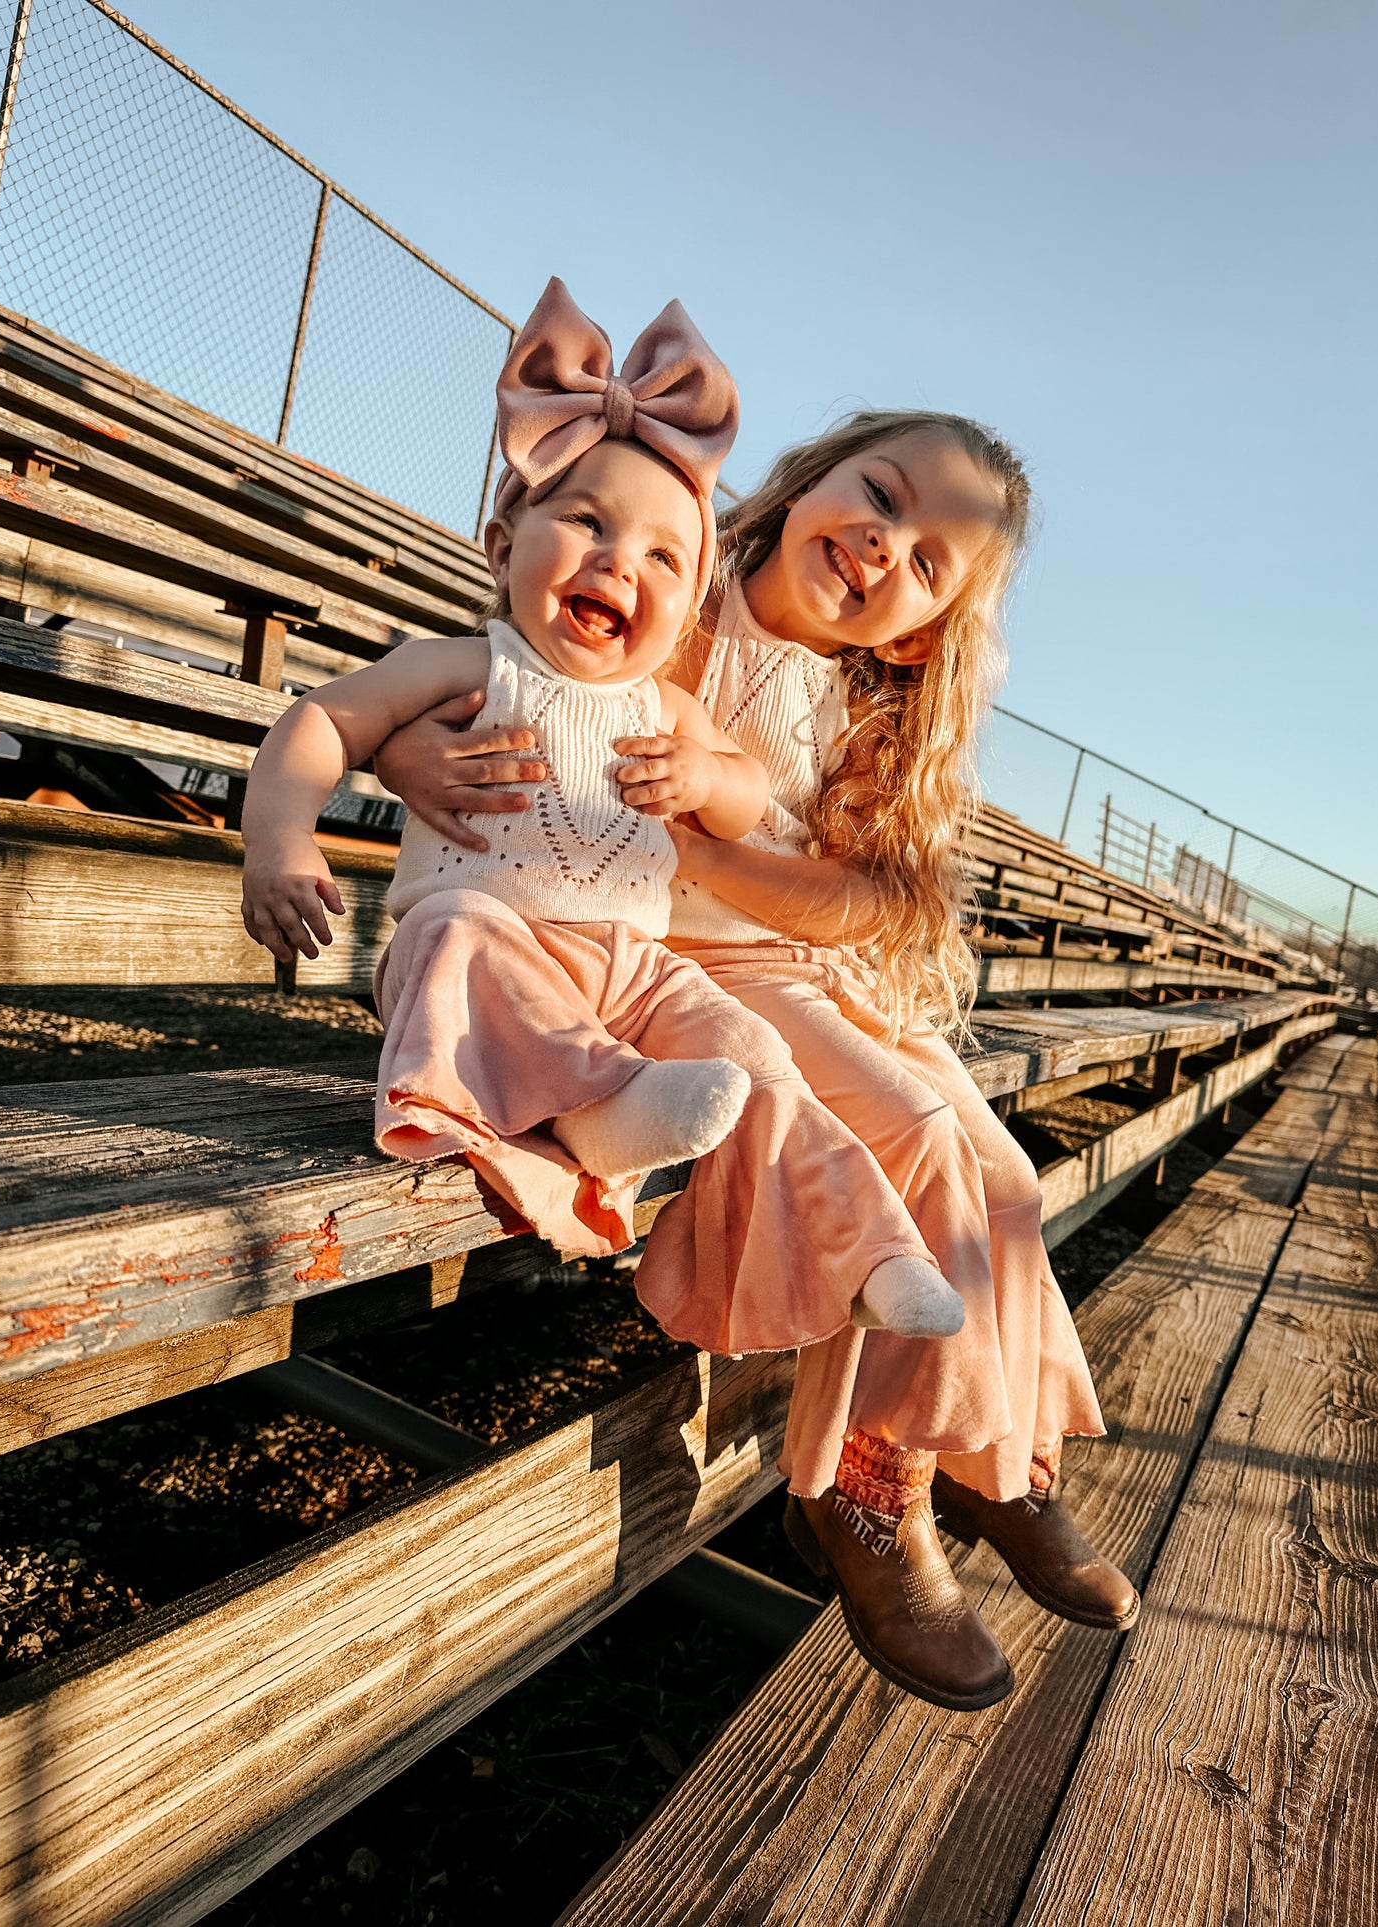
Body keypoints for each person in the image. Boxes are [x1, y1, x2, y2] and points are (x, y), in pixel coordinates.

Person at [376, 404, 1140, 1704]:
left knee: (1006, 1181)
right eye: (881, 496)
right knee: (905, 1128)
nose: (884, 545)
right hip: (662, 966)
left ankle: (995, 1457)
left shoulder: (862, 704)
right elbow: (493, 662)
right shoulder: (677, 582)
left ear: (915, 628)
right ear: (807, 484)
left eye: (926, 561)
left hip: (790, 967)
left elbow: (870, 899)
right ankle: (860, 1488)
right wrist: (399, 743)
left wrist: (722, 850)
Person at [241, 280, 970, 1410]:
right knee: (463, 933)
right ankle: (606, 1105)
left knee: (744, 1055)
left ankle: (873, 1251)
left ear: (685, 613)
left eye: (661, 557)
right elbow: (322, 719)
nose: (617, 562)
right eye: (583, 523)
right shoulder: (470, 663)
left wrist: (705, 778)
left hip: (628, 969)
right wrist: (282, 838)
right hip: (487, 950)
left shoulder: (660, 704)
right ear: (503, 539)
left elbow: (741, 792)